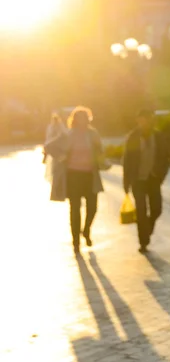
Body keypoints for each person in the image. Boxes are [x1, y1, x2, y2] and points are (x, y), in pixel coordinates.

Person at [45, 107, 104, 255]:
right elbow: (49, 146)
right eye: (79, 118)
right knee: (75, 209)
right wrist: (61, 156)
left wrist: (102, 160)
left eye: (85, 117)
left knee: (93, 207)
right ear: (74, 120)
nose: (82, 121)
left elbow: (100, 150)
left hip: (90, 175)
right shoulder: (68, 135)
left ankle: (86, 229)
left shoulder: (93, 134)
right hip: (73, 176)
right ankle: (76, 241)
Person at [122, 109, 170, 253]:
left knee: (156, 209)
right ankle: (143, 241)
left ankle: (148, 227)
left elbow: (165, 158)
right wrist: (126, 181)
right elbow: (127, 160)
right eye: (142, 119)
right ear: (138, 120)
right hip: (138, 180)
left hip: (153, 179)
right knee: (141, 210)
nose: (145, 122)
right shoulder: (133, 137)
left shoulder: (158, 136)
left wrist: (160, 175)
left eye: (148, 119)